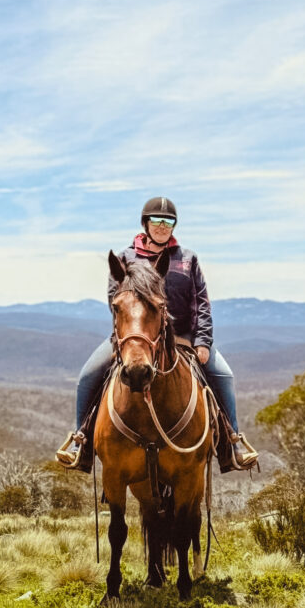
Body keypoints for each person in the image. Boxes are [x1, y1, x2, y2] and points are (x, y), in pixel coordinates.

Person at [56, 196, 257, 469]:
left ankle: (232, 442)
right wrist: (128, 339)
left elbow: (202, 303)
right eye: (157, 220)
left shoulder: (187, 260)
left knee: (223, 375)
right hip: (134, 338)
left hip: (184, 337)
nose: (163, 226)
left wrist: (203, 342)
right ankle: (81, 442)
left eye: (168, 221)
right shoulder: (126, 259)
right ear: (145, 223)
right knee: (88, 375)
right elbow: (115, 302)